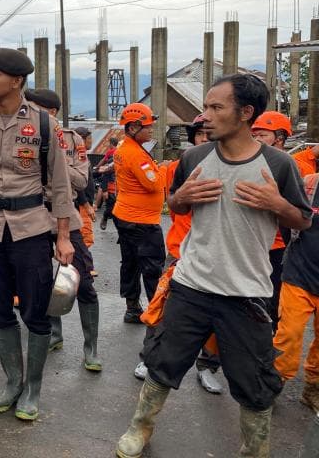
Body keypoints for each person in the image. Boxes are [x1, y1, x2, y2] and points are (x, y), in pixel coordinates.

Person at [115, 74, 312, 458]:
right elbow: (178, 206)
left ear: (246, 113)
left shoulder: (279, 165)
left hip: (247, 293)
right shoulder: (194, 157)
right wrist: (180, 197)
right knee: (162, 363)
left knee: (254, 382)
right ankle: (140, 427)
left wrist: (277, 205)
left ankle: (254, 450)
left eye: (215, 108)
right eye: (205, 106)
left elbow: (302, 220)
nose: (204, 116)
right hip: (191, 285)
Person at [0, 48, 74, 421]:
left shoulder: (45, 125)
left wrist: (63, 236)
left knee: (35, 310)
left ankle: (33, 388)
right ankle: (12, 382)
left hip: (31, 228)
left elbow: (60, 185)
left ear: (17, 81)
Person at [135, 114, 224, 392]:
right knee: (162, 309)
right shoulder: (180, 166)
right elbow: (173, 204)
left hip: (221, 256)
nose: (205, 141)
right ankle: (149, 359)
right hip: (181, 251)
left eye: (210, 136)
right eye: (200, 136)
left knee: (219, 316)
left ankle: (208, 366)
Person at [25, 88, 101, 372]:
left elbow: (81, 180)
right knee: (42, 282)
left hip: (65, 219)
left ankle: (90, 347)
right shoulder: (20, 136)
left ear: (52, 113)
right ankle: (54, 333)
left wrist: (52, 160)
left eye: (34, 108)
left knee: (83, 284)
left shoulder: (71, 139)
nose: (29, 114)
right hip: (30, 218)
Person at [112, 103, 167, 325]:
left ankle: (132, 308)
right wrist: (164, 168)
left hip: (126, 215)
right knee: (152, 266)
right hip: (141, 221)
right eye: (147, 126)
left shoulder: (124, 148)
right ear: (133, 127)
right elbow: (153, 184)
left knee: (131, 263)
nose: (151, 130)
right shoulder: (135, 154)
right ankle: (156, 313)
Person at [252, 110, 306, 330]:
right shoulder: (249, 164)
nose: (256, 139)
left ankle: (269, 345)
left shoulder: (292, 168)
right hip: (252, 243)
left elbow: (302, 212)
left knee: (273, 300)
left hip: (279, 246)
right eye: (254, 134)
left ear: (280, 138)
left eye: (263, 134)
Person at [274, 172, 319, 412]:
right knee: (289, 334)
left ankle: (312, 388)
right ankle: (273, 383)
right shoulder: (309, 183)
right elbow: (285, 218)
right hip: (298, 275)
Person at [74, 126, 97, 249]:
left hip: (84, 203)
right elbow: (78, 185)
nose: (91, 141)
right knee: (84, 239)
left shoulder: (82, 155)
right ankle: (82, 267)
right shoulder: (78, 157)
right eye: (89, 138)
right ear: (81, 139)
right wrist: (86, 204)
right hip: (81, 205)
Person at [95, 137, 119, 230]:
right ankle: (105, 217)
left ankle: (121, 233)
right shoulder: (111, 163)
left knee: (118, 211)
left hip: (120, 190)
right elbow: (105, 175)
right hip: (110, 188)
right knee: (110, 208)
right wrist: (105, 190)